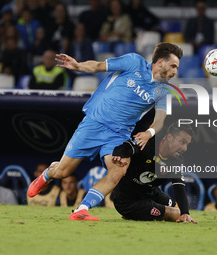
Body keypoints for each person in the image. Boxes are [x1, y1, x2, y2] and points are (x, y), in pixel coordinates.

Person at [27, 42, 182, 221]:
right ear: (160, 62)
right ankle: (46, 175)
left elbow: (160, 120)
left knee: (119, 170)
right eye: (173, 66)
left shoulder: (163, 91)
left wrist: (149, 133)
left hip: (118, 135)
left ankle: (81, 210)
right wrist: (78, 66)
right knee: (62, 172)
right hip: (94, 123)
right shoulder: (133, 62)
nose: (175, 72)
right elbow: (99, 66)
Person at [111, 122, 198, 223]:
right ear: (169, 137)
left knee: (178, 208)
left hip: (150, 192)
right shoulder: (149, 143)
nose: (185, 148)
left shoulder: (176, 161)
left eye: (187, 144)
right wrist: (119, 153)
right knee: (175, 214)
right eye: (182, 142)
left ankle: (140, 215)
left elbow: (179, 186)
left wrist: (185, 213)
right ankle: (135, 213)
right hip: (128, 200)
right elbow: (128, 146)